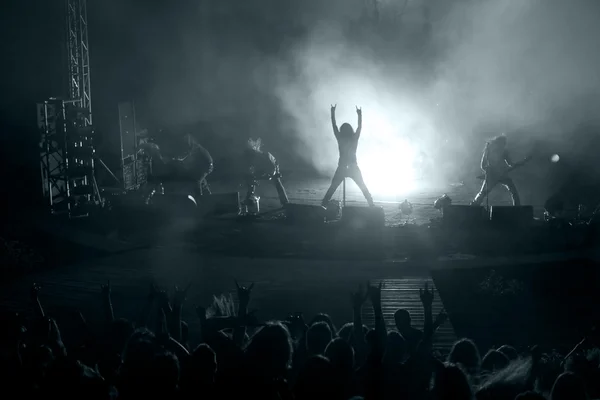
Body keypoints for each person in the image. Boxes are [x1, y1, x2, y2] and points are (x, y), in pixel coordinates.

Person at [322, 105, 374, 207]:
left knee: (332, 188)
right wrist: (359, 115)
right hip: (352, 167)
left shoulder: (340, 138)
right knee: (363, 187)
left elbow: (334, 126)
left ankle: (323, 205)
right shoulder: (353, 138)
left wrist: (332, 113)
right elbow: (359, 127)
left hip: (342, 167)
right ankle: (371, 204)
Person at [471, 135, 521, 206]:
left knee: (513, 191)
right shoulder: (489, 150)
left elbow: (510, 163)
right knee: (483, 192)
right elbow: (483, 165)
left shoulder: (503, 151)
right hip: (493, 175)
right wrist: (489, 171)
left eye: (504, 143)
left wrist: (517, 164)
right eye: (503, 143)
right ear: (498, 142)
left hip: (501, 175)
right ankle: (473, 205)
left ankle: (517, 207)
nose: (504, 144)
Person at [242, 138, 289, 214]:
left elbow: (273, 168)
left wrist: (270, 175)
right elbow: (250, 170)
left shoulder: (266, 156)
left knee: (277, 182)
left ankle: (285, 202)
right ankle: (248, 199)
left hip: (272, 169)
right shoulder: (251, 159)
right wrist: (252, 177)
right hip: (262, 171)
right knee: (250, 181)